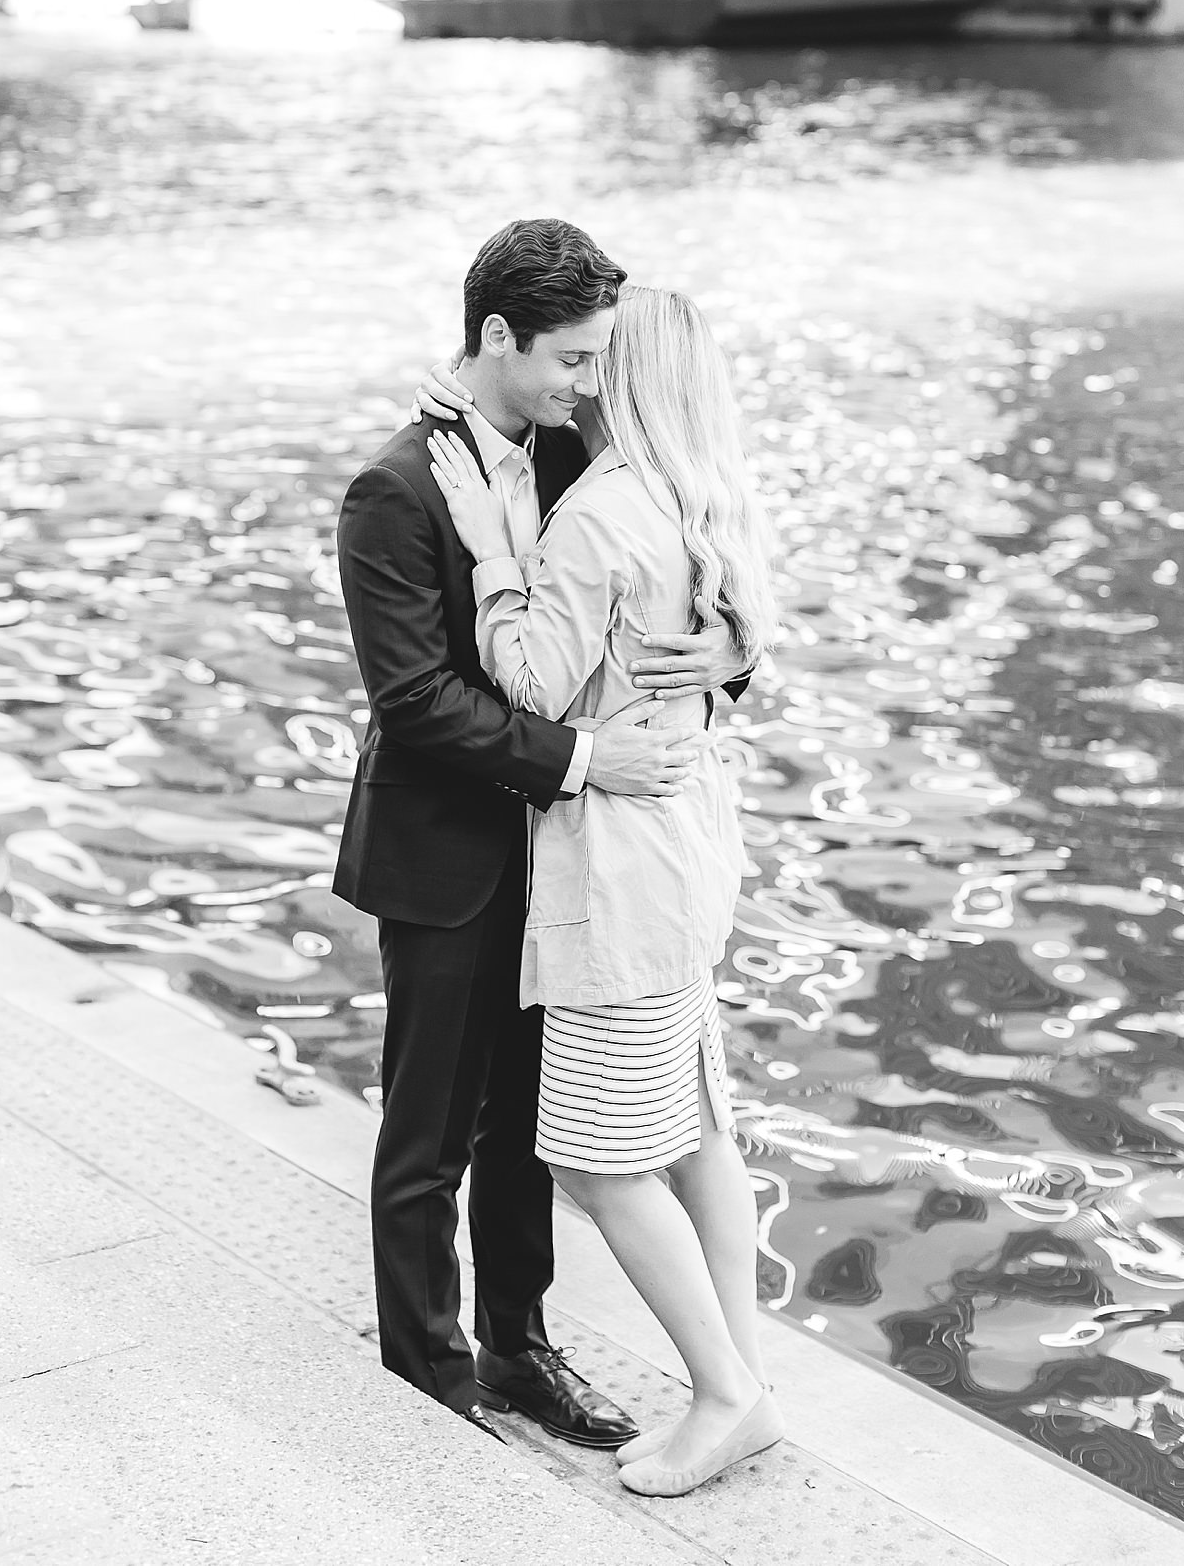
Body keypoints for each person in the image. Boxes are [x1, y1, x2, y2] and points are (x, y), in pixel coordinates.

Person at [334, 219, 742, 1445]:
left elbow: (659, 595)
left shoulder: (575, 462)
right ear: (496, 338)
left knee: (533, 1128)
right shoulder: (395, 488)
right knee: (432, 1133)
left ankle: (520, 1352)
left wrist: (732, 652)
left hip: (572, 864)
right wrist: (582, 761)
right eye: (569, 359)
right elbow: (413, 704)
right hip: (451, 857)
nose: (588, 383)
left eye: (599, 358)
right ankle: (431, 1377)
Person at [427, 283, 783, 1498]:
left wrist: (488, 551)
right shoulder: (704, 493)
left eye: (594, 362)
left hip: (620, 872)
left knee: (594, 1159)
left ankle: (725, 1395)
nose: (575, 379)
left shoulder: (602, 514)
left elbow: (528, 682)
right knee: (695, 1127)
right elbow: (731, 637)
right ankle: (745, 1375)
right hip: (692, 848)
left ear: (624, 380)